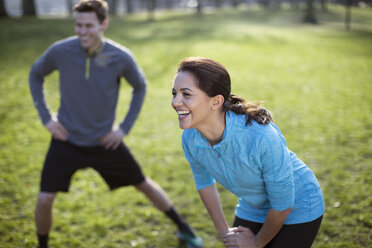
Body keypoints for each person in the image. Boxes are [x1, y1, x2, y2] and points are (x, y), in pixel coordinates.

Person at [29, 1, 203, 248]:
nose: (82, 32)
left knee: (143, 184)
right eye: (78, 25)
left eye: (89, 25)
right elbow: (36, 74)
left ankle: (185, 230)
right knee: (44, 199)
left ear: (104, 24)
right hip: (66, 139)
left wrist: (123, 129)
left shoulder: (119, 57)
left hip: (104, 141)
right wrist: (47, 118)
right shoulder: (60, 51)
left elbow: (140, 86)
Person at [171, 57, 325, 248]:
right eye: (174, 93)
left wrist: (256, 243)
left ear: (216, 101)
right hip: (253, 206)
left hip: (298, 205)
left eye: (186, 94)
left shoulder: (261, 137)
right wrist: (224, 232)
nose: (176, 102)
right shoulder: (190, 139)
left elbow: (284, 205)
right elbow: (204, 183)